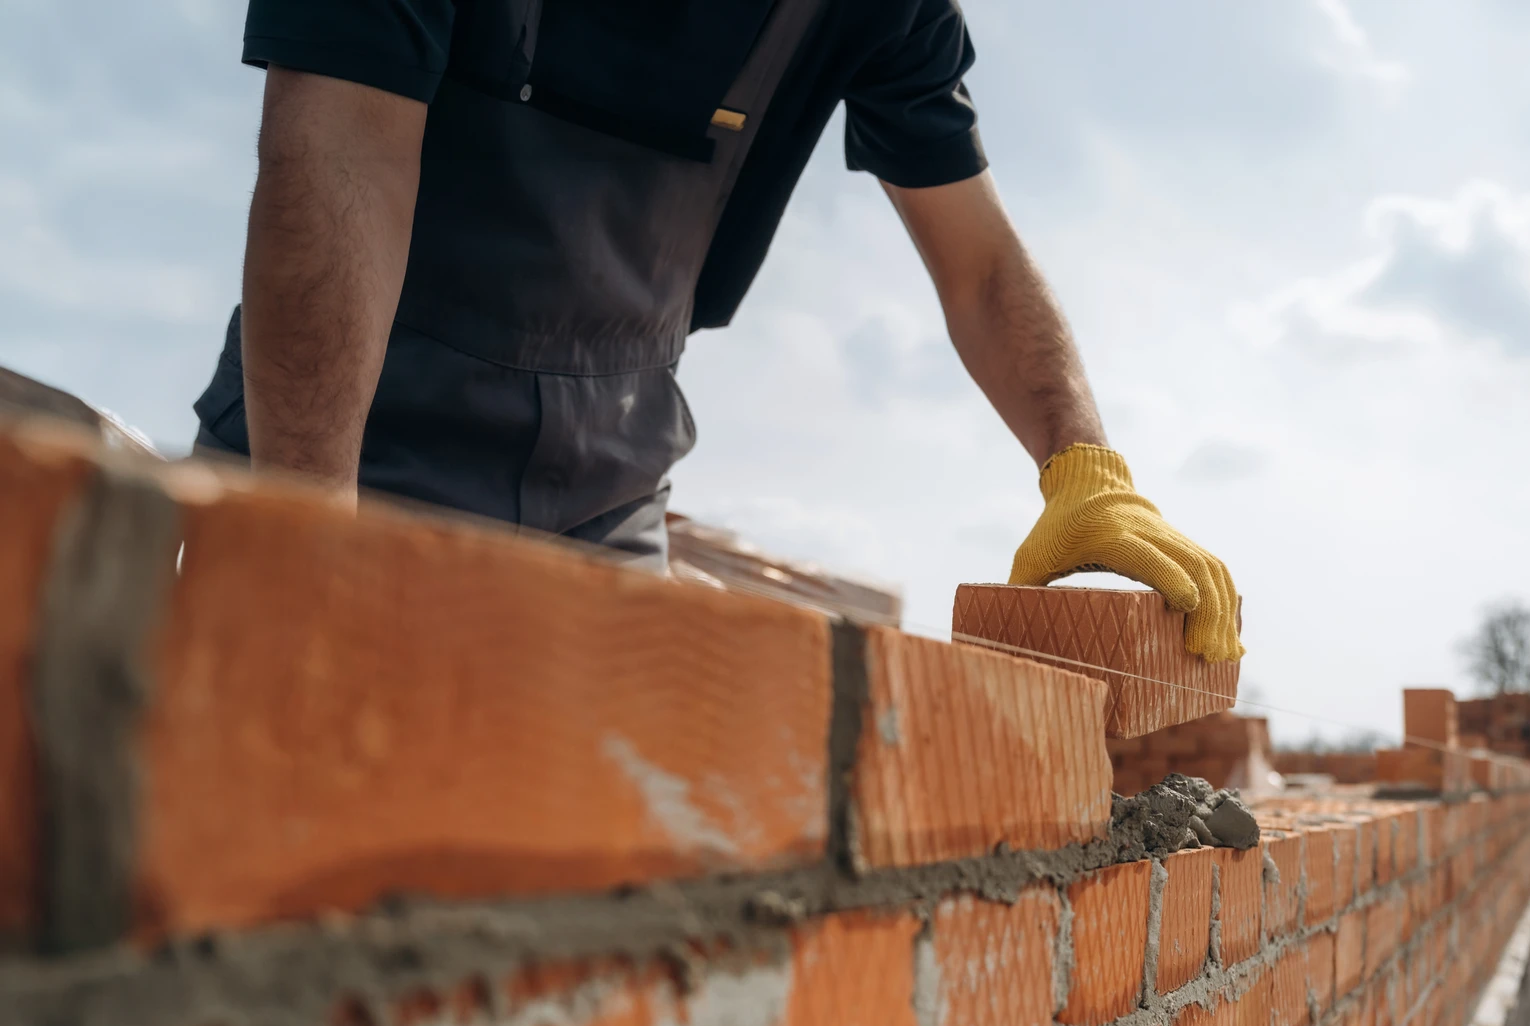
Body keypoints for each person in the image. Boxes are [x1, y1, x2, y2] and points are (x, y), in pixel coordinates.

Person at [191, 0, 1242, 662]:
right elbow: (339, 154)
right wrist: (303, 536)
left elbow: (976, 265)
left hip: (601, 504)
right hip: (340, 458)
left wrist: (1085, 469)